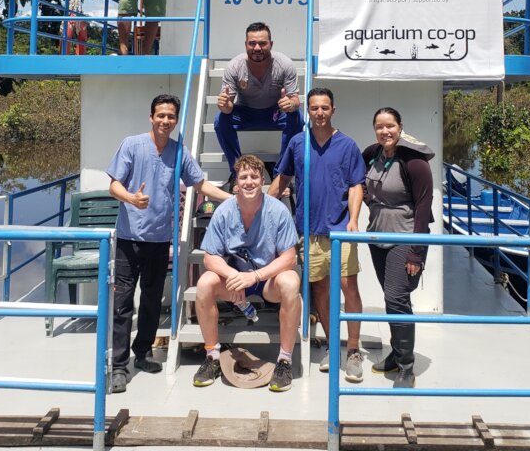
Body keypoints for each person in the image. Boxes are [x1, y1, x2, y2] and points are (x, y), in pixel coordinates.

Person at [105, 94, 228, 393]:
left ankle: (143, 353)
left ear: (175, 119)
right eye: (160, 115)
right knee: (122, 306)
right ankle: (119, 367)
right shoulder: (132, 144)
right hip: (128, 239)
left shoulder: (178, 151)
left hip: (161, 239)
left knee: (150, 300)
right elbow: (113, 185)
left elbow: (200, 184)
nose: (165, 121)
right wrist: (132, 197)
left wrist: (235, 199)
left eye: (170, 116)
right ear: (151, 117)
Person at [268, 88, 366, 383]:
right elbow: (283, 178)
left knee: (348, 287)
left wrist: (355, 220)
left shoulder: (347, 145)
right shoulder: (298, 142)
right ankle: (332, 345)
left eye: (325, 107)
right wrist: (260, 209)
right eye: (314, 108)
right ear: (308, 111)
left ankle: (353, 351)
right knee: (321, 290)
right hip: (308, 231)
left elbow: (355, 186)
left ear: (333, 110)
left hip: (339, 230)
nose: (319, 113)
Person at [193, 154, 301, 392]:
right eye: (244, 177)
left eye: (254, 176)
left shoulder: (278, 210)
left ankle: (284, 360)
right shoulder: (224, 211)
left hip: (266, 281)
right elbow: (210, 256)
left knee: (291, 282)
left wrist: (254, 277)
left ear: (262, 180)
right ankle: (212, 356)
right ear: (236, 184)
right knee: (205, 283)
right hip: (235, 280)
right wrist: (233, 276)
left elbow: (289, 257)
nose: (249, 182)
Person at [361, 107, 434, 389]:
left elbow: (423, 208)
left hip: (406, 238)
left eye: (390, 126)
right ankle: (396, 353)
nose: (385, 132)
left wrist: (417, 251)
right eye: (379, 127)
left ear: (400, 127)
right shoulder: (373, 155)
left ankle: (406, 367)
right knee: (392, 300)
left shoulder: (414, 162)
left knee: (396, 299)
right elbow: (360, 180)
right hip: (378, 238)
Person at [215, 22, 303, 182]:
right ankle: (237, 171)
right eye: (252, 43)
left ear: (271, 44)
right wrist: (224, 105)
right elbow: (228, 108)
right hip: (244, 113)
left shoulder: (284, 64)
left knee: (297, 117)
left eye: (262, 43)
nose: (257, 48)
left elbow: (295, 99)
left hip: (275, 113)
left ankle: (282, 173)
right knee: (219, 119)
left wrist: (290, 104)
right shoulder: (235, 66)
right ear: (246, 44)